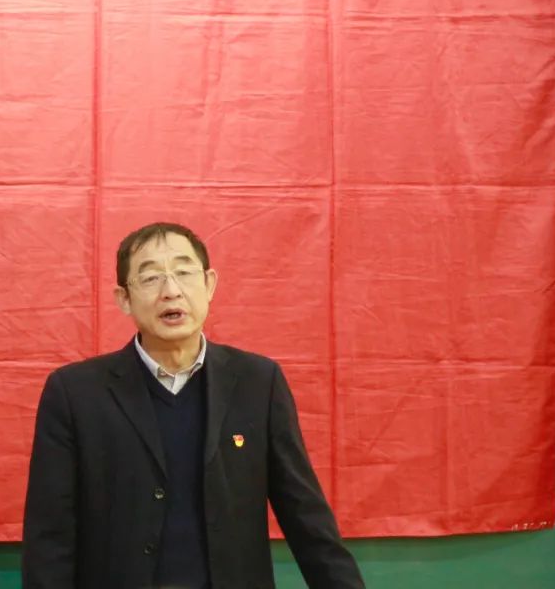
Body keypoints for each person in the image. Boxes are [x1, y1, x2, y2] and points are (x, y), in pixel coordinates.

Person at [22, 222, 364, 589]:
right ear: (124, 299)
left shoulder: (258, 382)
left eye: (184, 272)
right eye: (150, 278)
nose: (171, 291)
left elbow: (304, 513)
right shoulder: (75, 393)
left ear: (209, 284)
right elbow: (50, 535)